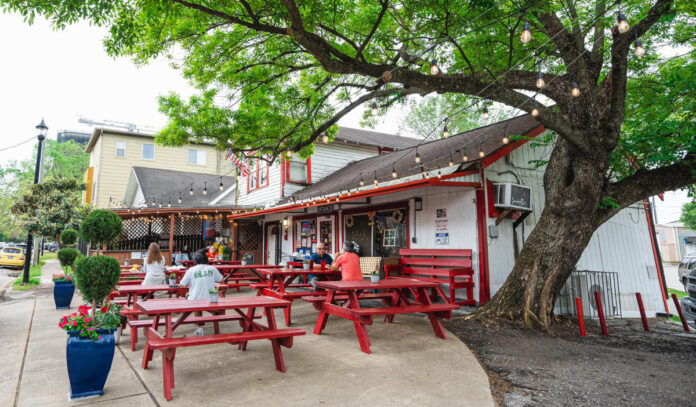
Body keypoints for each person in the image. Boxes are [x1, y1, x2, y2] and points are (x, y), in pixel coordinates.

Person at [179, 252, 223, 336]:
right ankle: (215, 312)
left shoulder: (191, 270)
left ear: (194, 260)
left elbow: (181, 285)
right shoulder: (212, 269)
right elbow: (221, 280)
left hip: (195, 300)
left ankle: (200, 327)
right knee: (203, 299)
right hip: (211, 299)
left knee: (191, 297)